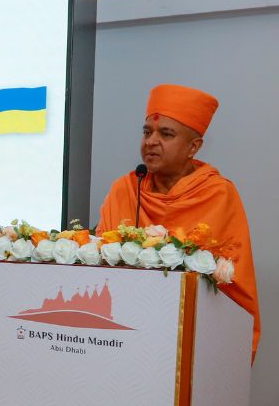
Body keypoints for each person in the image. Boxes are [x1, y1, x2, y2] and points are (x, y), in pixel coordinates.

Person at [95, 84, 260, 360]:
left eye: (165, 134)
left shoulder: (218, 195)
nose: (150, 141)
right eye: (147, 132)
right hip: (119, 336)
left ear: (193, 147)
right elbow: (99, 267)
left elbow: (234, 282)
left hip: (192, 341)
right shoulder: (125, 189)